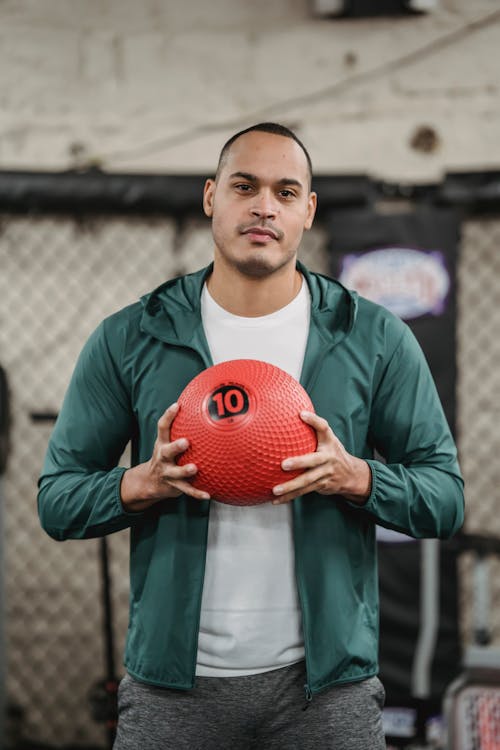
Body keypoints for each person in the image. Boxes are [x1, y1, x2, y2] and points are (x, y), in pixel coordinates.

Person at [38, 122, 464, 750]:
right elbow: (57, 500)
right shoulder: (132, 336)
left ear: (309, 211)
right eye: (246, 186)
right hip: (172, 690)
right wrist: (140, 484)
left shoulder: (370, 335)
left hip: (326, 690)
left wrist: (358, 477)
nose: (265, 205)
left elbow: (445, 498)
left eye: (286, 192)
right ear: (212, 196)